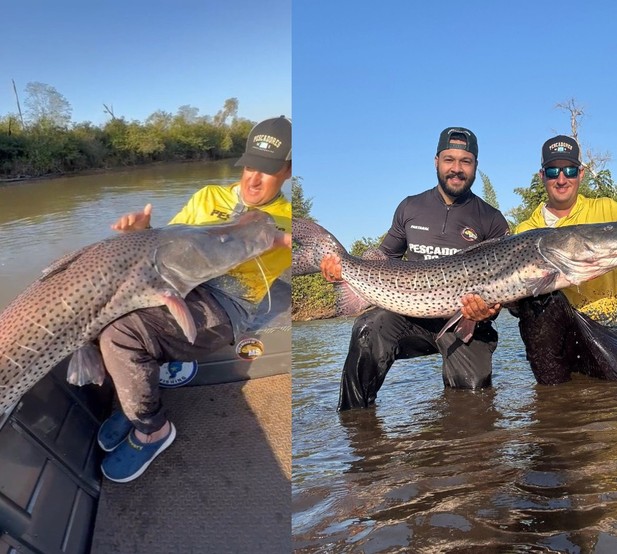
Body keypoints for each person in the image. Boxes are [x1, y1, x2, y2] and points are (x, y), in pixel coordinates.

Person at [96, 116, 293, 482]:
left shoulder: (291, 221)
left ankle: (152, 428)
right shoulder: (207, 196)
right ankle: (132, 398)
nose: (252, 179)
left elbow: (318, 254)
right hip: (173, 283)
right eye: (249, 166)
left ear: (288, 171)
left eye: (267, 171)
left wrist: (291, 242)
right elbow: (165, 244)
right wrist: (143, 234)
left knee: (121, 334)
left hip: (224, 302)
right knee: (97, 314)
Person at [321, 127, 509, 411]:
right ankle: (354, 421)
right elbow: (380, 260)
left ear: (475, 166)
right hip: (411, 317)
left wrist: (492, 309)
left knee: (473, 407)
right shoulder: (410, 207)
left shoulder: (491, 219)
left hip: (466, 322)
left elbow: (506, 285)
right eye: (449, 160)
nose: (456, 169)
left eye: (465, 161)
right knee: (367, 329)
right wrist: (341, 271)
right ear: (436, 161)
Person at [510, 135, 617, 385]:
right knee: (544, 298)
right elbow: (517, 304)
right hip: (557, 336)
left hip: (611, 331)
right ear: (542, 175)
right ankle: (552, 394)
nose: (562, 178)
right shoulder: (526, 230)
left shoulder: (607, 209)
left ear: (581, 173)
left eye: (569, 170)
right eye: (553, 170)